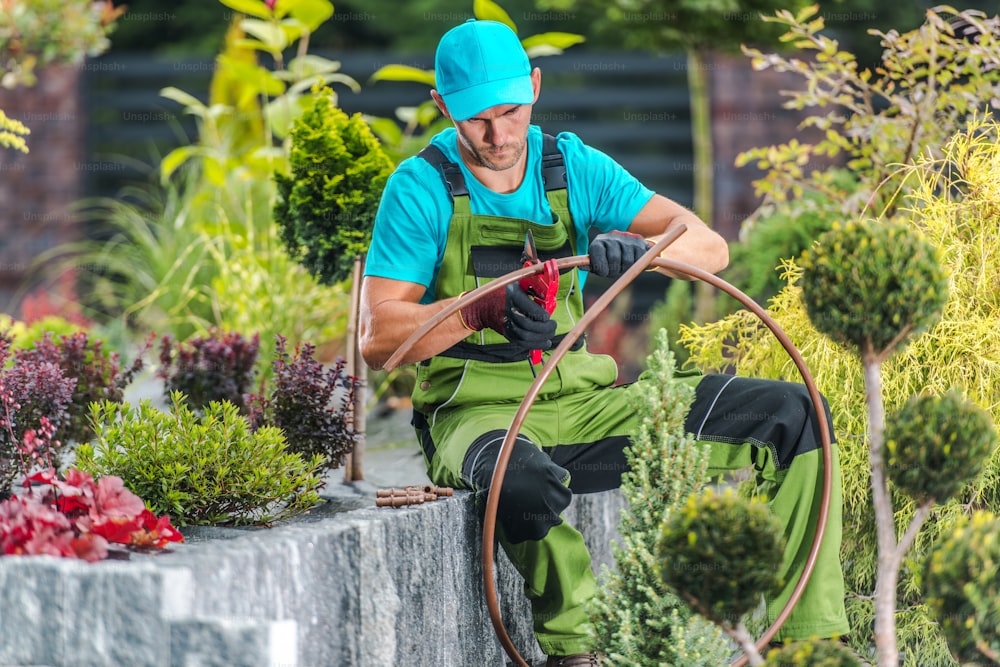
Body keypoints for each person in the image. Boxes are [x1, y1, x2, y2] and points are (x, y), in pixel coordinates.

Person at [359, 18, 850, 667]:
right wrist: (479, 310)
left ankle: (811, 644)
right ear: (443, 107)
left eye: (511, 111)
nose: (500, 135)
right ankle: (578, 649)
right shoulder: (420, 189)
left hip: (591, 409)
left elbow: (711, 245)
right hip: (478, 418)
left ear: (535, 87)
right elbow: (380, 337)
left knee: (795, 416)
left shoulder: (572, 165)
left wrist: (643, 253)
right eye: (478, 119)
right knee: (521, 477)